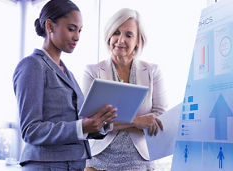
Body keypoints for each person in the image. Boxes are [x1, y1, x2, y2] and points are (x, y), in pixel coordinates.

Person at [13, 0, 117, 170]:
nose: (77, 37)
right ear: (50, 26)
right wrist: (80, 127)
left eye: (79, 30)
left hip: (73, 164)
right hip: (46, 165)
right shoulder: (32, 66)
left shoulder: (67, 73)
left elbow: (78, 123)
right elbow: (30, 130)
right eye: (71, 29)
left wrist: (101, 122)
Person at [83, 8, 168, 171]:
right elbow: (91, 122)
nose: (120, 40)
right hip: (98, 160)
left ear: (138, 40)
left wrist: (114, 121)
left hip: (141, 160)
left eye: (128, 35)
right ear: (109, 34)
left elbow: (159, 119)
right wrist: (138, 121)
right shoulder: (92, 72)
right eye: (116, 32)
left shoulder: (152, 72)